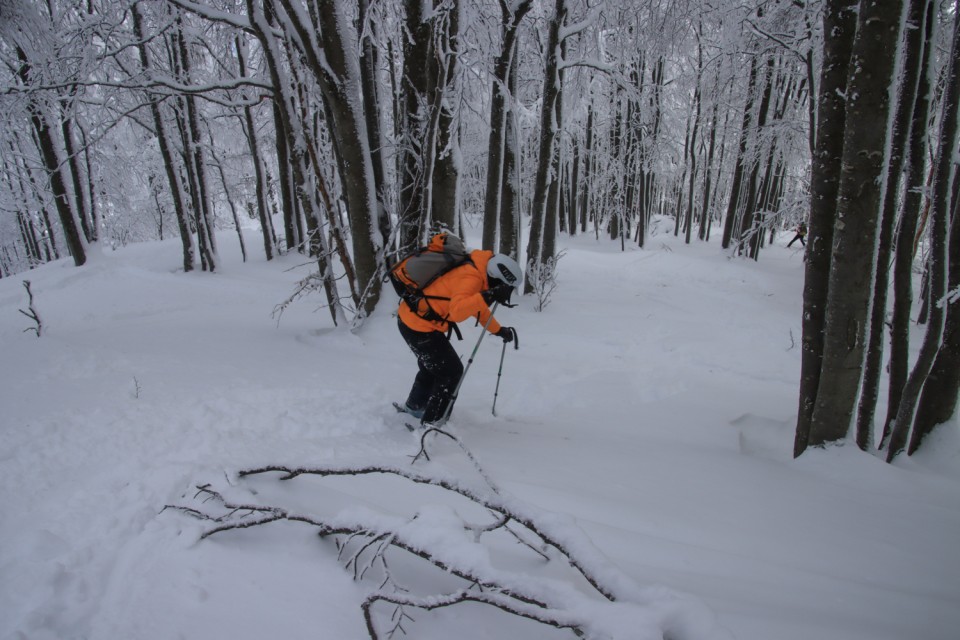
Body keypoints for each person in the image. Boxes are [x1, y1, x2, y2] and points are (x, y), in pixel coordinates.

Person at [398, 251, 521, 426]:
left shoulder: (476, 270)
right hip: (419, 327)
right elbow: (458, 311)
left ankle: (415, 408)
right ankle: (433, 424)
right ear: (496, 277)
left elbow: (475, 307)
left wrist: (498, 329)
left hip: (413, 320)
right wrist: (489, 295)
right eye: (506, 286)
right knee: (450, 372)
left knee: (433, 368)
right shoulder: (471, 277)